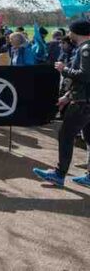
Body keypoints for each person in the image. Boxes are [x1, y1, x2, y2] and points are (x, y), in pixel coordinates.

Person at [34, 20, 90, 188]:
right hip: (84, 99)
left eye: (71, 31)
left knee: (65, 135)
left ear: (76, 32)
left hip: (82, 103)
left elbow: (85, 76)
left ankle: (59, 174)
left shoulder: (86, 49)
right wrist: (67, 96)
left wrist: (63, 69)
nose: (69, 34)